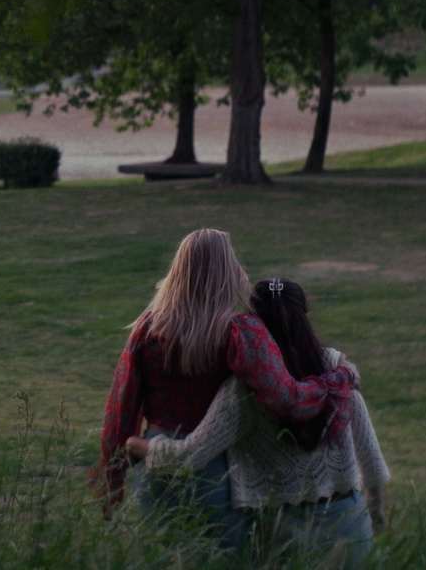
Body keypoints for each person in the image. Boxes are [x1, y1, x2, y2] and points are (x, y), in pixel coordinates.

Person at [93, 230, 360, 546]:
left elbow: (121, 406)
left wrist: (112, 477)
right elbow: (289, 400)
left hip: (153, 461)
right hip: (214, 468)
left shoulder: (147, 328)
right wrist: (338, 378)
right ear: (228, 272)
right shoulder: (241, 332)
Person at [130, 278, 389, 570]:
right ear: (305, 314)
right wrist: (375, 513)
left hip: (285, 532)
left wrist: (140, 446)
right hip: (349, 523)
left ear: (252, 324)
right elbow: (371, 457)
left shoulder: (244, 389)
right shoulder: (338, 371)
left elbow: (191, 455)